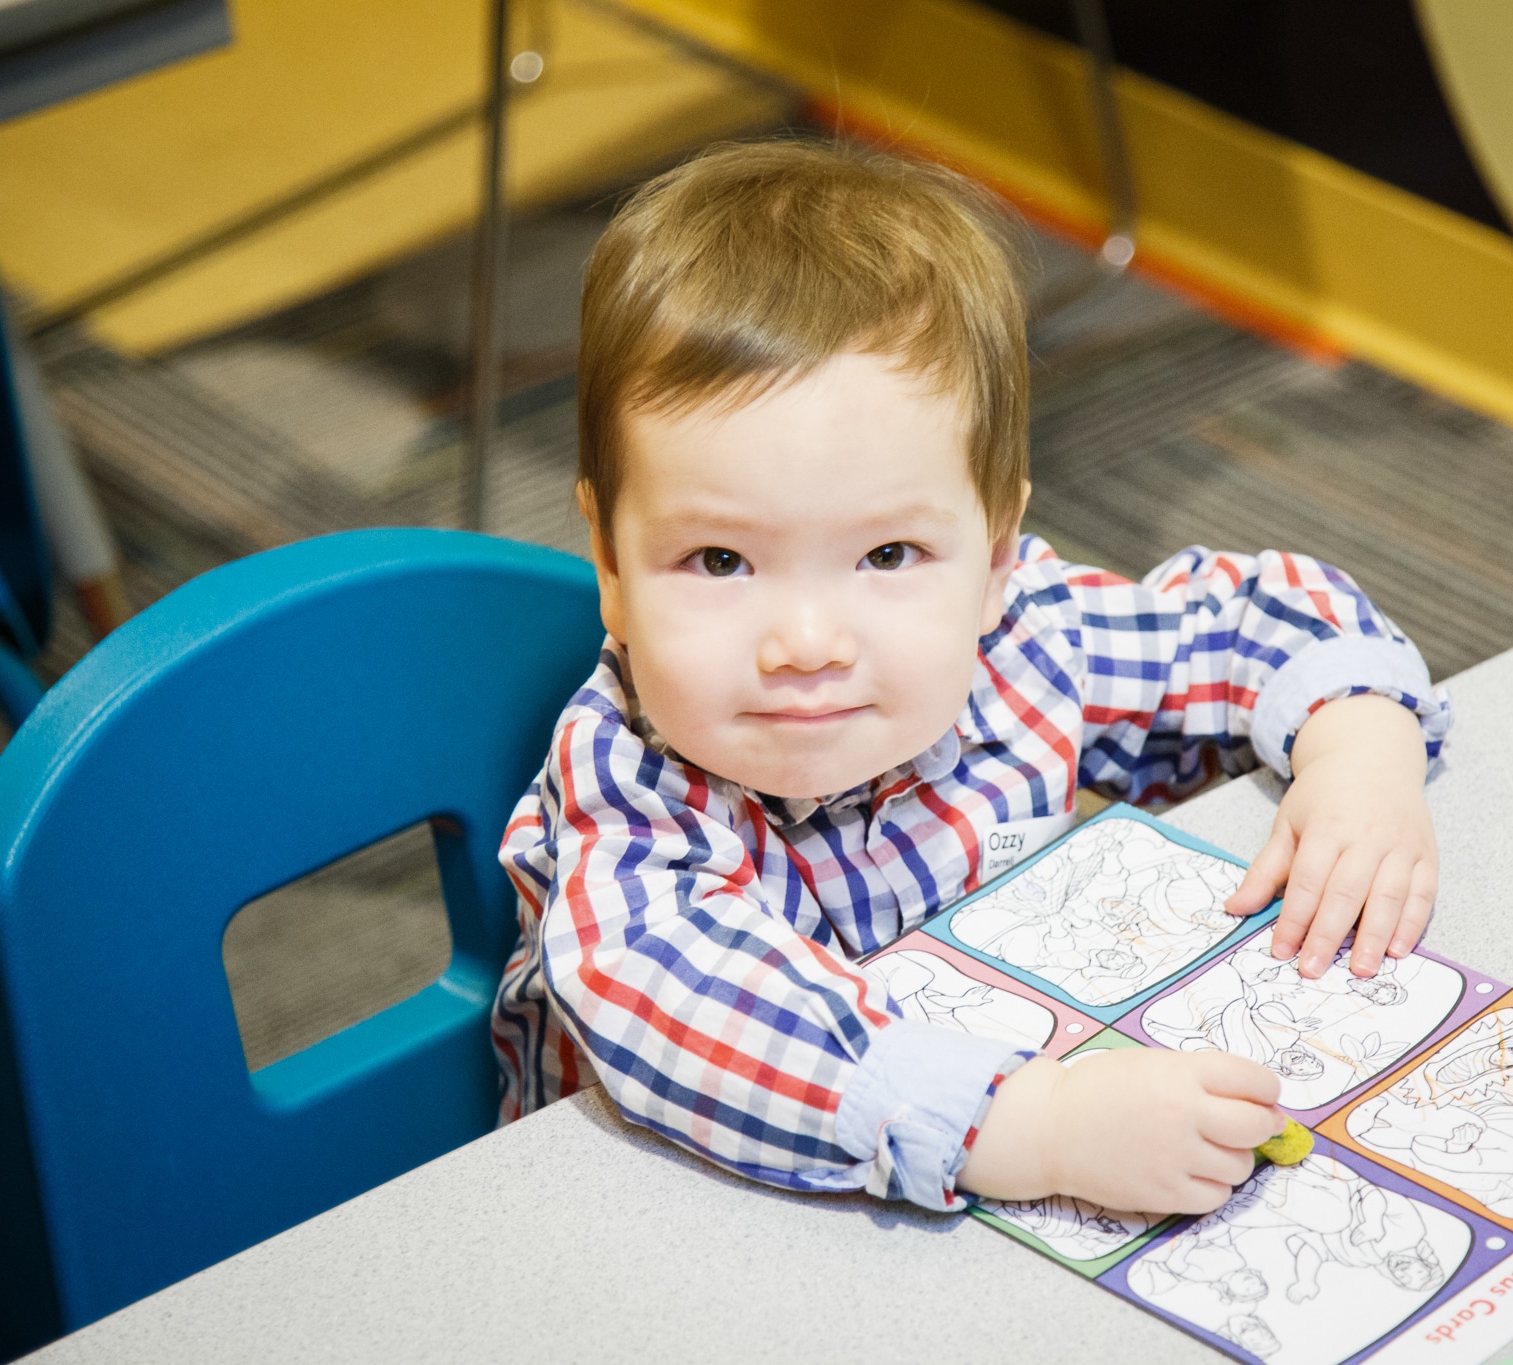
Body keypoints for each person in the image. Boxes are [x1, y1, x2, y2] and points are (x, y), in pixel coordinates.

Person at [490, 139, 1451, 1216]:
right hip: (664, 1216)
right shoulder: (626, 786)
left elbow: (1245, 621)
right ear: (611, 569)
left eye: (886, 556)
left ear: (995, 559)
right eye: (719, 561)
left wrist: (1359, 742)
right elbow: (693, 1006)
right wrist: (1028, 1131)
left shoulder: (1018, 639)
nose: (805, 639)